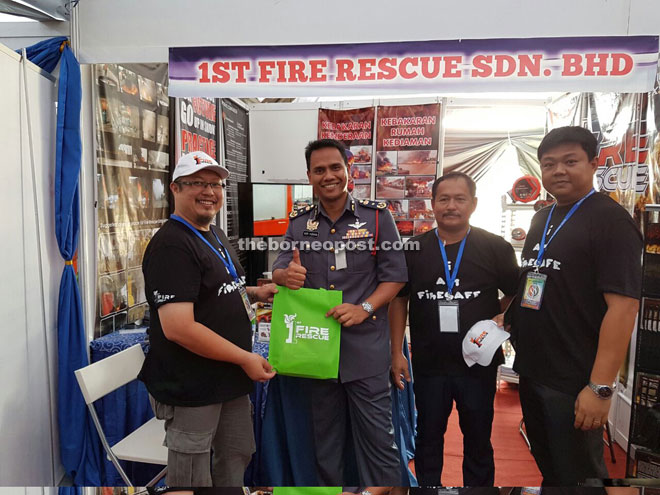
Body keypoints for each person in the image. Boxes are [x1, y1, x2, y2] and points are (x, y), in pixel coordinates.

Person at [507, 126, 642, 485]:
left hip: (574, 379)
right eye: (549, 164)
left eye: (571, 161)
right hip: (534, 370)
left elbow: (624, 308)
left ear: (593, 164)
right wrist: (504, 319)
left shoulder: (611, 222)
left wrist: (600, 387)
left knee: (579, 477)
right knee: (551, 467)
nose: (559, 171)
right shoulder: (541, 218)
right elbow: (535, 283)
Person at [272, 138, 408, 485]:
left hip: (365, 351)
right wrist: (286, 276)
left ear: (349, 171)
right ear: (309, 176)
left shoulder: (377, 218)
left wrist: (364, 307)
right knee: (325, 445)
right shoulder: (299, 222)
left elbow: (394, 278)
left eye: (335, 167)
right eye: (319, 170)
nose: (328, 175)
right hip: (317, 351)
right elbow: (279, 269)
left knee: (380, 442)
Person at [138, 151, 277, 487]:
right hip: (193, 385)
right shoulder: (171, 246)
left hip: (228, 380)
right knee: (191, 476)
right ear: (175, 188)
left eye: (215, 184)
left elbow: (222, 288)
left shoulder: (212, 233)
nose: (209, 191)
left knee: (236, 454)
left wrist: (259, 294)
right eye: (197, 183)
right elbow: (178, 328)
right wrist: (245, 358)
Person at [389, 172, 519, 486]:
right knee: (429, 438)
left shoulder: (495, 247)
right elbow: (398, 301)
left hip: (478, 364)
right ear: (432, 204)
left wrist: (500, 318)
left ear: (473, 204)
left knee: (478, 439)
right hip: (430, 364)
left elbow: (516, 291)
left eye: (460, 199)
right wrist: (396, 352)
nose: (451, 206)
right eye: (444, 199)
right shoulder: (414, 249)